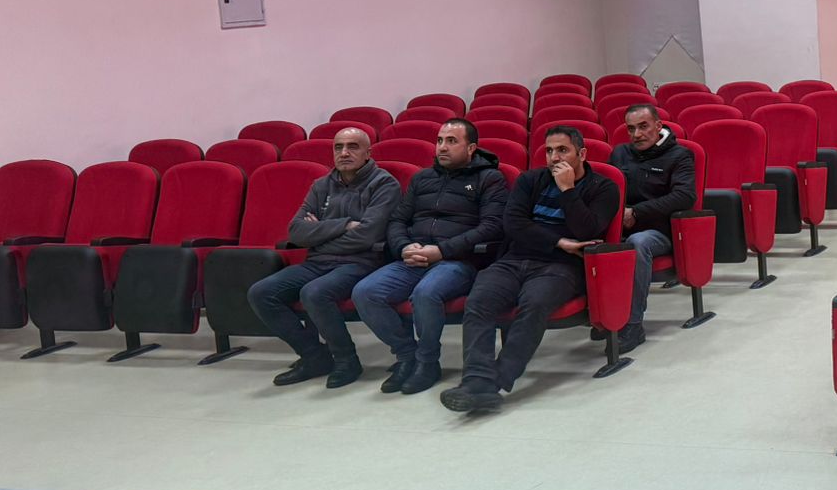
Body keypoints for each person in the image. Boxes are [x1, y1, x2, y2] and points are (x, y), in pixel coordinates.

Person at [443, 125, 621, 414]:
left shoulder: (604, 188)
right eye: (549, 151)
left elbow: (587, 229)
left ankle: (493, 383)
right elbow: (513, 224)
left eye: (562, 150)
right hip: (515, 259)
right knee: (479, 301)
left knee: (534, 303)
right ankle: (475, 381)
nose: (554, 157)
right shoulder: (530, 180)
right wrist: (559, 241)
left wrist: (567, 190)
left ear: (582, 154)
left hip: (563, 266)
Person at [350, 118, 507, 396]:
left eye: (451, 141)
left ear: (471, 148)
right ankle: (406, 355)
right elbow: (398, 220)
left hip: (458, 261)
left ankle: (427, 362)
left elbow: (492, 227)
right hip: (414, 255)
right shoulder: (422, 179)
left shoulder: (489, 178)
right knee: (365, 292)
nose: (442, 147)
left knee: (425, 293)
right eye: (439, 141)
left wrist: (442, 251)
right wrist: (403, 247)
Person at [249, 127, 399, 389]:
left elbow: (367, 236)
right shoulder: (321, 185)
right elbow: (296, 231)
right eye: (338, 147)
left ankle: (346, 360)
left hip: (361, 262)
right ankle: (314, 356)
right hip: (317, 262)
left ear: (368, 153)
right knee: (261, 292)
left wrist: (319, 232)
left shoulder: (384, 184)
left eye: (352, 146)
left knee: (315, 293)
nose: (344, 153)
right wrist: (344, 225)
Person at [609, 102, 697, 352]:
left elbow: (684, 196)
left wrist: (637, 212)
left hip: (659, 231)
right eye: (631, 129)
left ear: (658, 126)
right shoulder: (620, 153)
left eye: (643, 126)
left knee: (638, 243)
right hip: (620, 227)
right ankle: (604, 317)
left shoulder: (679, 155)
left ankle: (633, 324)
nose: (637, 134)